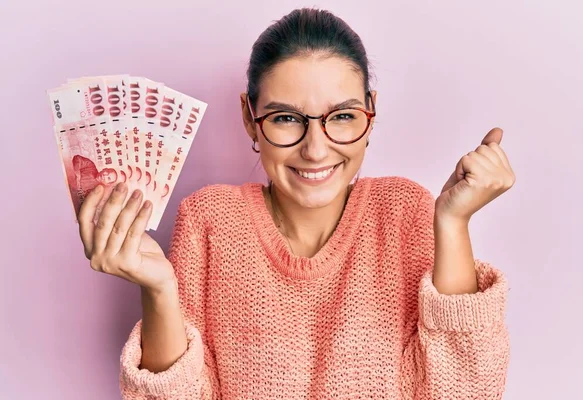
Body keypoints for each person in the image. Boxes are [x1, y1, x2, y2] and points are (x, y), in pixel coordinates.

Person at [77, 8, 515, 399]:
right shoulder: (208, 220)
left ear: (370, 113)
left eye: (342, 116)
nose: (316, 149)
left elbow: (466, 390)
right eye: (286, 118)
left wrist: (453, 222)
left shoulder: (403, 212)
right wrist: (159, 289)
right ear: (250, 117)